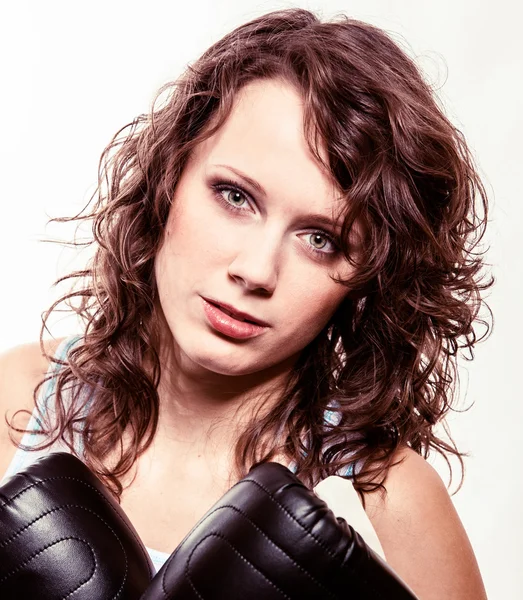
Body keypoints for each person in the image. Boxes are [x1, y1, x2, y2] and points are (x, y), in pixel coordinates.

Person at [0, 7, 491, 599]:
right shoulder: (17, 398)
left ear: (365, 280)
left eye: (321, 239)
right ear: (169, 176)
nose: (256, 271)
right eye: (234, 196)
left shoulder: (390, 502)